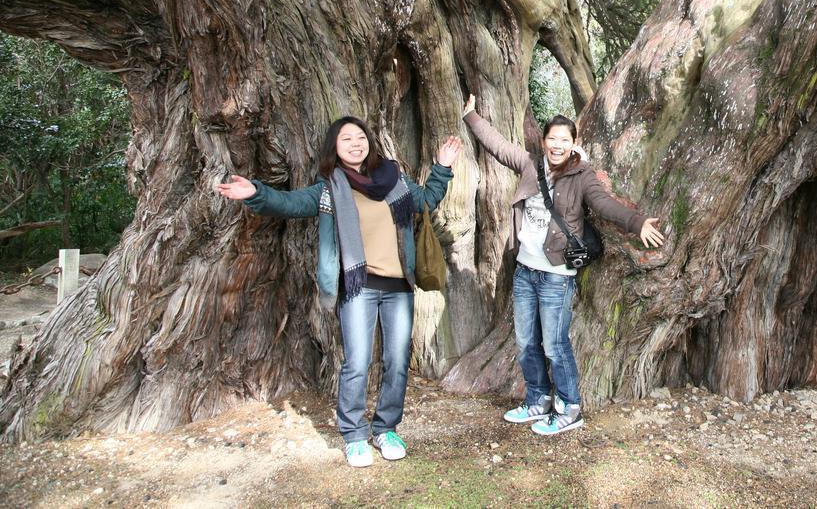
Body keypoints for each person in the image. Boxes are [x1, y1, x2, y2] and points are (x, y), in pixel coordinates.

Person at [216, 117, 461, 467]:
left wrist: (442, 168)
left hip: (399, 288)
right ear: (335, 147)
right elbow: (291, 204)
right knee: (358, 363)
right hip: (358, 288)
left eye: (360, 137)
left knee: (397, 363)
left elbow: (425, 202)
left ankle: (386, 428)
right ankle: (354, 434)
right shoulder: (331, 188)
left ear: (369, 142)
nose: (354, 143)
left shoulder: (394, 178)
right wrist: (256, 193)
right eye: (346, 139)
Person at [462, 94, 664, 435]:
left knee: (555, 344)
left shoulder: (582, 176)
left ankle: (570, 408)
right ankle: (538, 400)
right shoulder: (530, 164)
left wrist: (637, 222)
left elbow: (604, 205)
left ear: (574, 144)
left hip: (556, 276)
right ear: (543, 141)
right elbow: (497, 145)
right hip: (525, 271)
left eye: (564, 140)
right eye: (552, 139)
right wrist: (471, 116)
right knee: (526, 341)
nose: (557, 145)